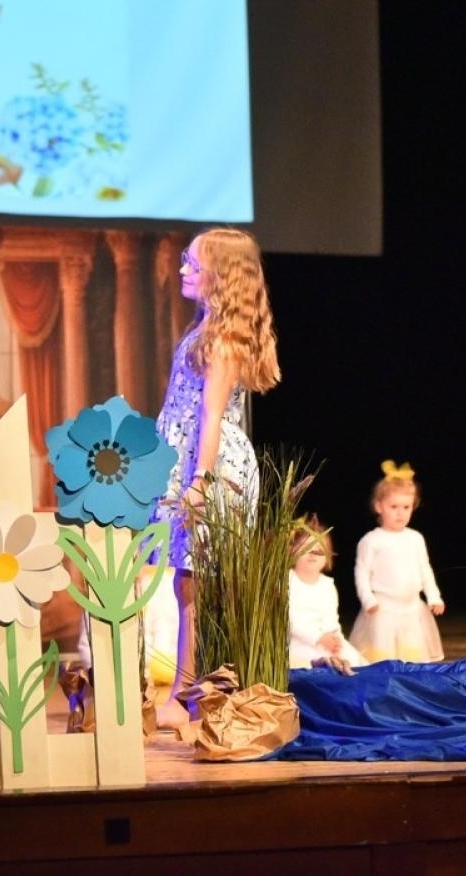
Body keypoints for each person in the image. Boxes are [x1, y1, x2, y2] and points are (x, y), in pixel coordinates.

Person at [149, 227, 280, 727]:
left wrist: (200, 480)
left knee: (195, 586)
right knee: (188, 584)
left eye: (193, 263)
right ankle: (191, 693)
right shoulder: (205, 330)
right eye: (184, 259)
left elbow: (211, 416)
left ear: (221, 276)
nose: (184, 269)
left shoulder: (222, 341)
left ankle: (186, 695)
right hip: (189, 460)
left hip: (210, 466)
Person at [349, 461, 446, 663]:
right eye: (393, 507)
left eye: (406, 507)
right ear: (379, 506)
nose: (400, 513)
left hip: (412, 609)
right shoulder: (371, 540)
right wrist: (368, 599)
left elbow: (424, 570)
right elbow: (362, 573)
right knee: (383, 656)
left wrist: (434, 596)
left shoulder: (415, 538)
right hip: (383, 610)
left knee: (412, 654)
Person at [288, 518, 365, 671]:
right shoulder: (288, 581)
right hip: (299, 644)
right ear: (292, 551)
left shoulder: (327, 585)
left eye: (319, 550)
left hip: (326, 642)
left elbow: (332, 618)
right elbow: (290, 619)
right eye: (305, 548)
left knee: (352, 664)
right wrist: (318, 638)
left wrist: (335, 640)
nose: (312, 554)